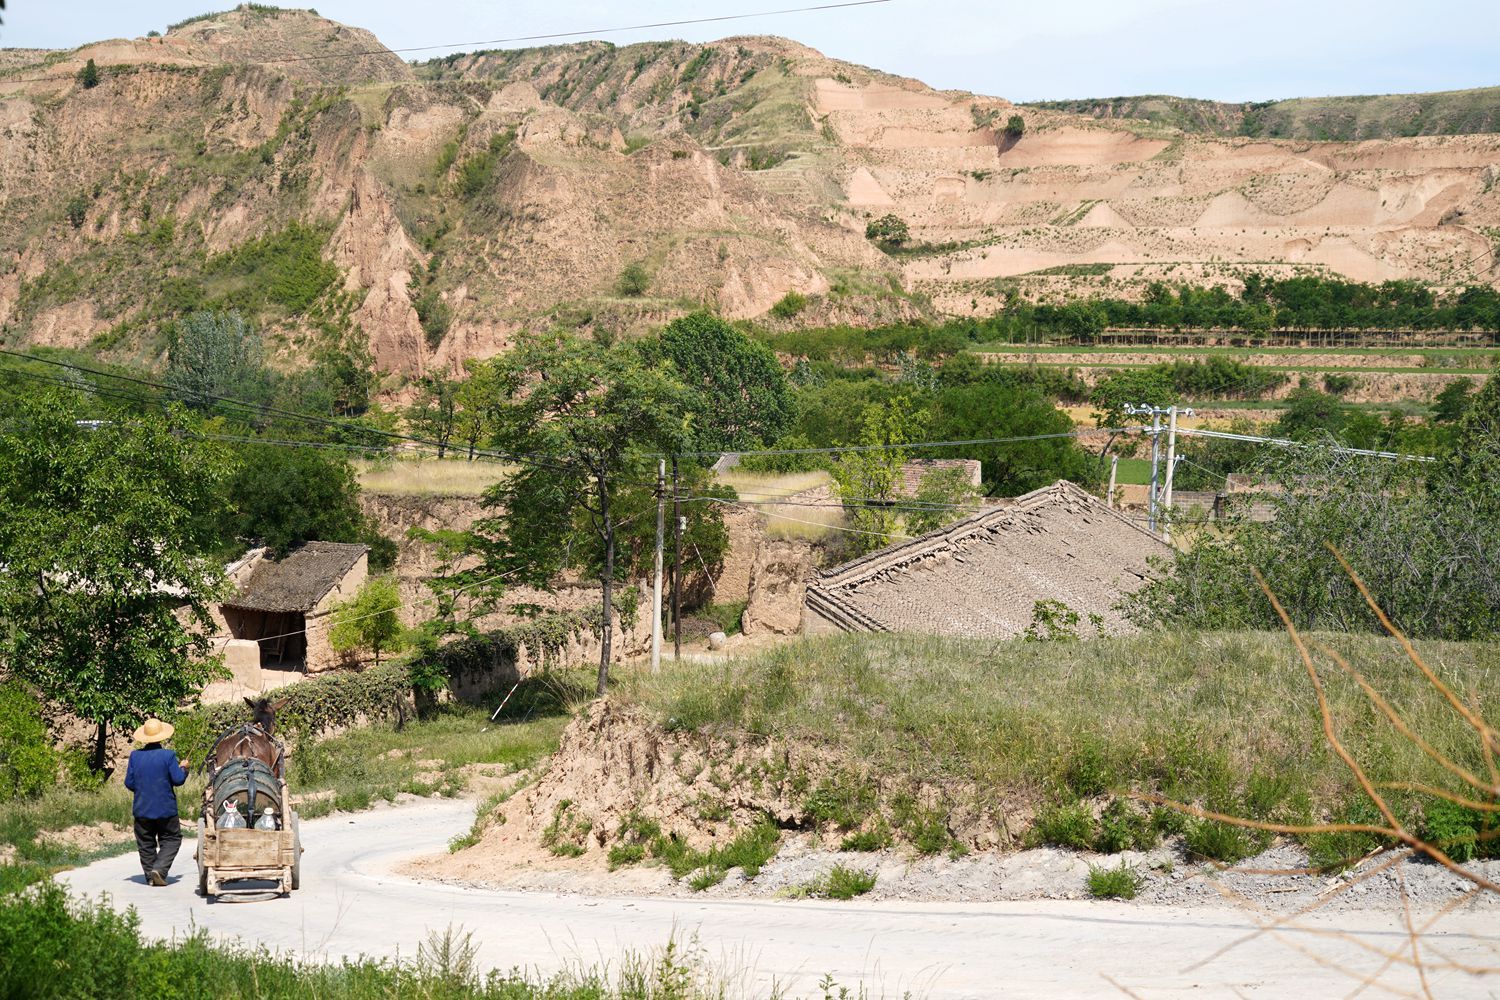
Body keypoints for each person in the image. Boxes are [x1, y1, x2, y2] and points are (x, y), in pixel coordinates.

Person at [123, 717, 189, 886]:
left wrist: (143, 791)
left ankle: (150, 876)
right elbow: (178, 779)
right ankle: (159, 870)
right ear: (162, 737)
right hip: (166, 809)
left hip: (142, 809)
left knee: (146, 843)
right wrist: (184, 768)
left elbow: (129, 783)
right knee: (172, 839)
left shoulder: (135, 756)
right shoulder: (168, 755)